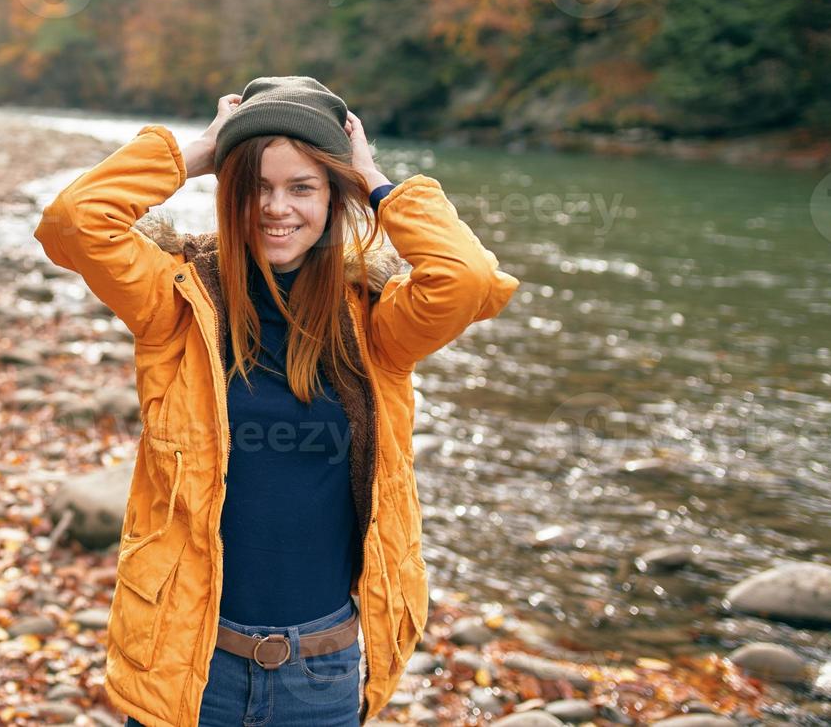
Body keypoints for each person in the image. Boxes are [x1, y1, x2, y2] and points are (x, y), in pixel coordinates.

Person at [33, 76, 520, 726]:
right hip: (187, 665)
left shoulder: (377, 327)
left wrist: (372, 178)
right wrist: (202, 150)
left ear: (332, 196)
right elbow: (74, 222)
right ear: (230, 193)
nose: (276, 208)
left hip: (319, 675)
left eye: (301, 187)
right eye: (256, 186)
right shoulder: (175, 305)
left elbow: (469, 279)